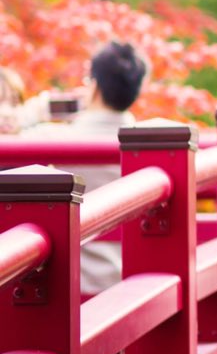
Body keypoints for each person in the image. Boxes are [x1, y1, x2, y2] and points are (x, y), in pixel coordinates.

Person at [24, 43, 149, 295]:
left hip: (77, 286)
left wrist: (31, 113)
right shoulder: (148, 145)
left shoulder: (53, 138)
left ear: (94, 86)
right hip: (136, 283)